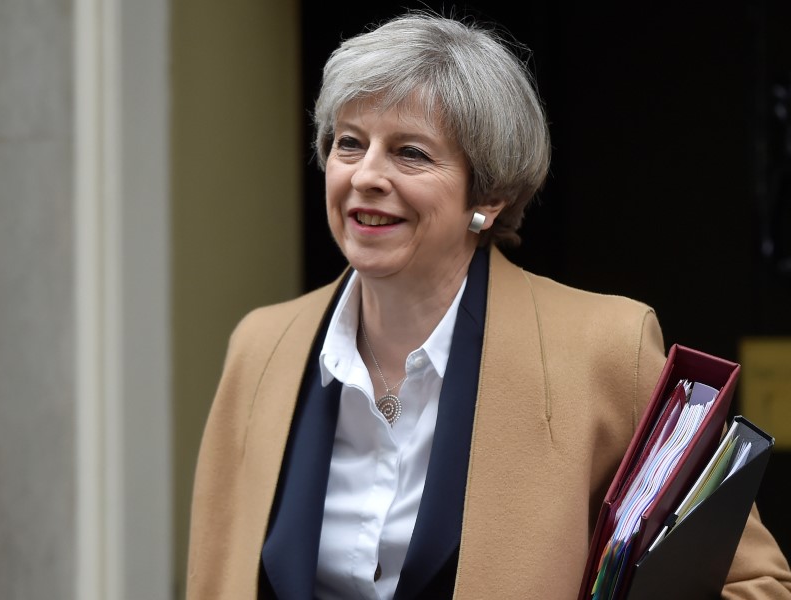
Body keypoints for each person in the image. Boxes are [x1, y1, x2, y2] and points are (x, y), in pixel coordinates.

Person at [185, 12, 791, 600]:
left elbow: (754, 584)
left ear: (491, 195)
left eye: (410, 153)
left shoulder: (607, 347)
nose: (366, 175)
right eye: (349, 143)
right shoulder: (260, 346)